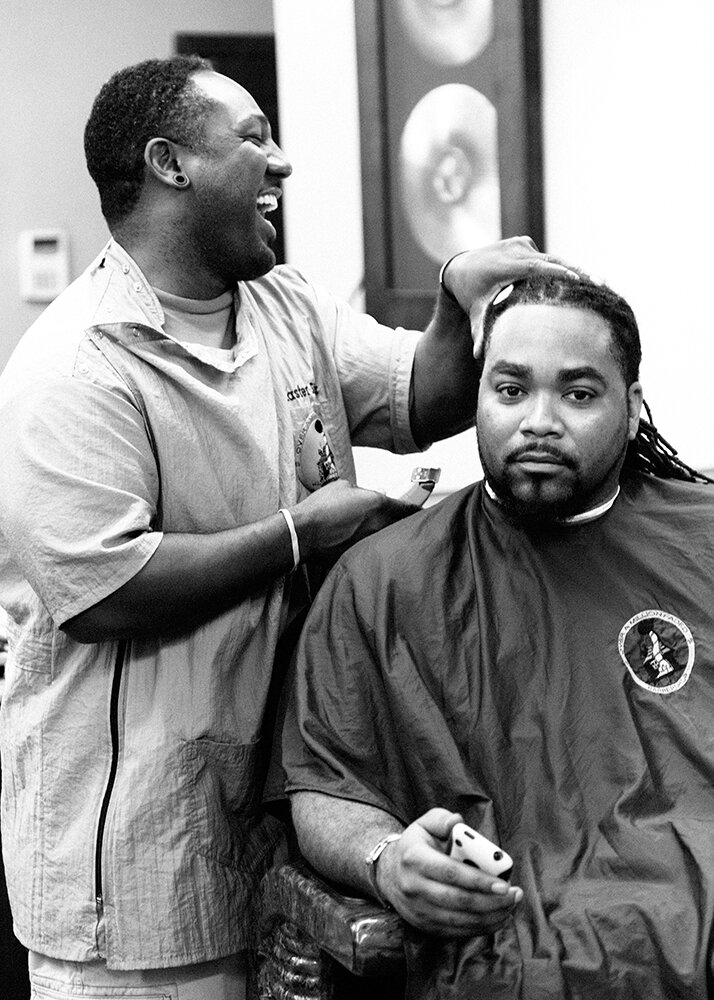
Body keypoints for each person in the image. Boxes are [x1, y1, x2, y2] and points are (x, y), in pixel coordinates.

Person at [0, 54, 575, 999]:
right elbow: (104, 593)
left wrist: (453, 299)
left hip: (277, 828)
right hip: (139, 867)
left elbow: (419, 395)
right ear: (170, 164)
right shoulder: (75, 366)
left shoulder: (284, 305)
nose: (282, 161)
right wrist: (300, 534)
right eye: (254, 137)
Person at [279, 272, 714, 999]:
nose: (539, 421)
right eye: (511, 390)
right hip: (505, 959)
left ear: (634, 406)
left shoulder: (702, 545)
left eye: (579, 394)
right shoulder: (383, 580)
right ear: (478, 397)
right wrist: (385, 859)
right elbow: (324, 787)